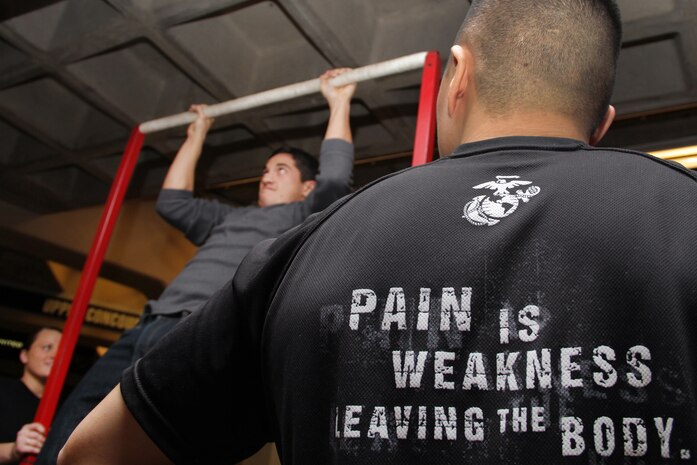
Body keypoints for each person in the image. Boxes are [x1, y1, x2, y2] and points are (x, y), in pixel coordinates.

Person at [59, 1, 697, 464]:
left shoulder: (308, 245)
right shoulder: (682, 210)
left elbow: (93, 452)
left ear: (457, 76)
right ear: (603, 120)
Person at [36, 68, 356, 465]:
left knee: (157, 437)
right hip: (149, 323)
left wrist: (339, 101)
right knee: (77, 418)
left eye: (281, 170)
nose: (266, 177)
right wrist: (197, 134)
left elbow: (336, 179)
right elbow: (172, 202)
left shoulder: (303, 215)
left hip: (194, 326)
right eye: (264, 170)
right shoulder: (227, 217)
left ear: (306, 187)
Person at [0, 328, 61, 465]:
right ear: (24, 355)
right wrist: (13, 450)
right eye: (47, 347)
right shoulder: (3, 391)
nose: (54, 355)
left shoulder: (65, 408)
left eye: (61, 350)